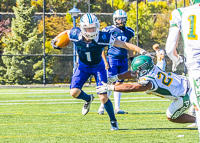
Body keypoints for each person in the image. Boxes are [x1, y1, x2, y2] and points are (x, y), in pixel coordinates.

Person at [51, 13, 149, 130]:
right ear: (82, 28)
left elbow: (123, 44)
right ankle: (88, 99)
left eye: (94, 27)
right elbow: (67, 32)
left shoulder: (103, 37)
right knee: (74, 92)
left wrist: (141, 50)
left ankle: (113, 120)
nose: (92, 30)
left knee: (103, 97)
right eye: (88, 28)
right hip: (83, 67)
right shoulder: (75, 34)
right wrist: (55, 39)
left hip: (98, 67)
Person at [96, 55, 196, 125]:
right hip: (188, 82)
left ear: (144, 69)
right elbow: (132, 73)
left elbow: (134, 87)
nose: (136, 73)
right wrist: (115, 77)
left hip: (183, 95)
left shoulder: (149, 81)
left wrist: (111, 87)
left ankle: (197, 121)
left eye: (138, 70)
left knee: (171, 116)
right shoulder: (153, 68)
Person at [164, 0, 200, 135]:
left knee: (198, 106)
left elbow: (169, 49)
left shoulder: (181, 12)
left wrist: (177, 59)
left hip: (196, 66)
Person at [98, 9, 135, 115]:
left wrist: (131, 59)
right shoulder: (109, 30)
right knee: (110, 82)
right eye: (119, 19)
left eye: (123, 19)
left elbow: (130, 46)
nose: (121, 21)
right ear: (114, 19)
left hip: (123, 59)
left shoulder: (129, 31)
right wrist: (105, 61)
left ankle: (117, 108)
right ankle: (102, 106)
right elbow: (102, 47)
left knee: (119, 84)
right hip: (112, 59)